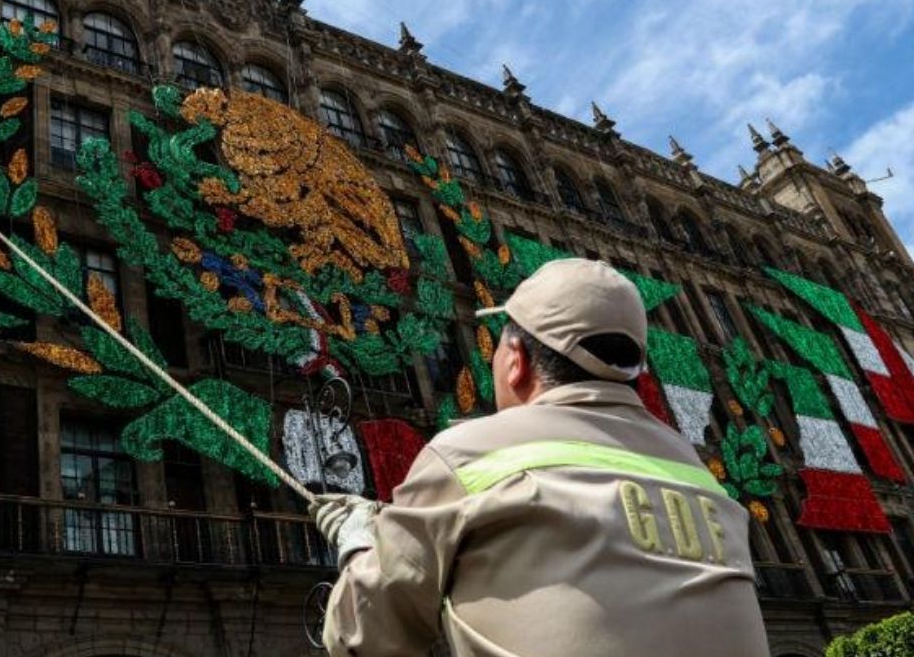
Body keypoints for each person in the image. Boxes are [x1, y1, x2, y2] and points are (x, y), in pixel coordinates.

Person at [310, 258, 770, 657]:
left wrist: (359, 541)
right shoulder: (698, 470)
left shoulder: (467, 453)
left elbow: (362, 639)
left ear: (516, 360)